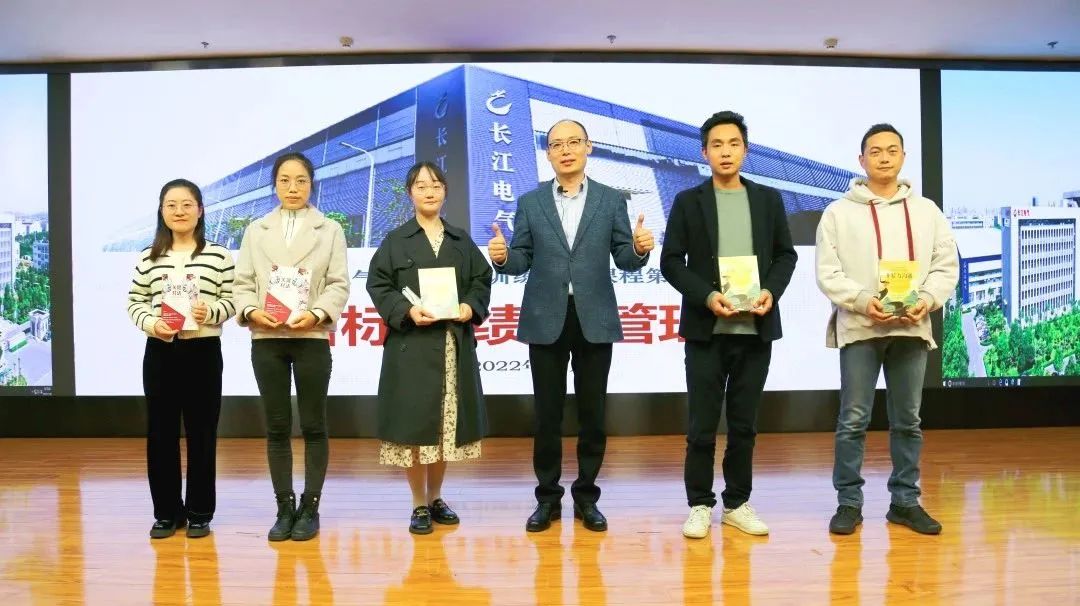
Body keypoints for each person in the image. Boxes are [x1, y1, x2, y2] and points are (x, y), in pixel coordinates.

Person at [488, 119, 655, 533]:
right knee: (547, 415)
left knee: (592, 414)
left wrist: (638, 249)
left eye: (573, 142)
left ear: (588, 147)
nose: (565, 150)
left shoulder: (610, 199)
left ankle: (586, 497)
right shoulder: (530, 202)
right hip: (546, 317)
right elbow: (521, 258)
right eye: (557, 144)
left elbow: (625, 258)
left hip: (593, 317)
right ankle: (547, 498)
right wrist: (503, 258)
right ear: (547, 153)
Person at [660, 111, 797, 539]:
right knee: (701, 425)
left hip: (755, 330)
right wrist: (706, 296)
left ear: (745, 150)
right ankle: (700, 504)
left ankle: (737, 503)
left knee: (744, 425)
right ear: (704, 152)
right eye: (716, 144)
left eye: (733, 143)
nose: (725, 151)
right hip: (706, 330)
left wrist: (770, 291)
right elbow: (671, 261)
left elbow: (785, 255)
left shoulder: (768, 199)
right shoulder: (689, 201)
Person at [816, 123, 958, 535]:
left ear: (903, 157)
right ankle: (849, 503)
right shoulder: (838, 213)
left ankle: (905, 502)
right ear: (861, 160)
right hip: (861, 326)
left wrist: (927, 299)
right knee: (853, 419)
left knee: (908, 420)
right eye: (875, 151)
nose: (883, 157)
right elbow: (828, 272)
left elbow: (945, 265)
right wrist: (864, 301)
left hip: (911, 328)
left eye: (892, 150)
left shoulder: (928, 211)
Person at [366, 161, 492, 535]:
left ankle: (436, 497)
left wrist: (470, 306)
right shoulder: (395, 240)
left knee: (444, 429)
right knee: (414, 428)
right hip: (411, 347)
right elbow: (378, 284)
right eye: (421, 186)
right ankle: (418, 503)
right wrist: (405, 310)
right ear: (410, 194)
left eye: (436, 185)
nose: (429, 191)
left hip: (452, 345)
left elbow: (481, 280)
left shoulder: (460, 240)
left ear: (445, 191)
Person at [234, 152, 350, 542]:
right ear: (274, 185)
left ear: (312, 184)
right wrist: (252, 311)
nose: (293, 187)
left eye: (301, 180)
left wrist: (317, 314)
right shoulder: (256, 230)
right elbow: (242, 283)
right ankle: (284, 507)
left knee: (314, 425)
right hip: (267, 338)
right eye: (284, 180)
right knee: (277, 426)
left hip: (311, 337)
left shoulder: (330, 229)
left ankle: (310, 507)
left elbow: (338, 283)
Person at [127, 178, 235, 539]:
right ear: (161, 211)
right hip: (161, 351)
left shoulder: (219, 255)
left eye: (187, 204)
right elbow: (135, 302)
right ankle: (166, 513)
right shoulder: (149, 256)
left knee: (202, 433)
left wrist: (211, 311)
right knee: (161, 433)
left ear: (200, 210)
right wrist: (152, 323)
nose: (179, 211)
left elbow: (233, 299)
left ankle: (200, 511)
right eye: (171, 205)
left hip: (203, 351)